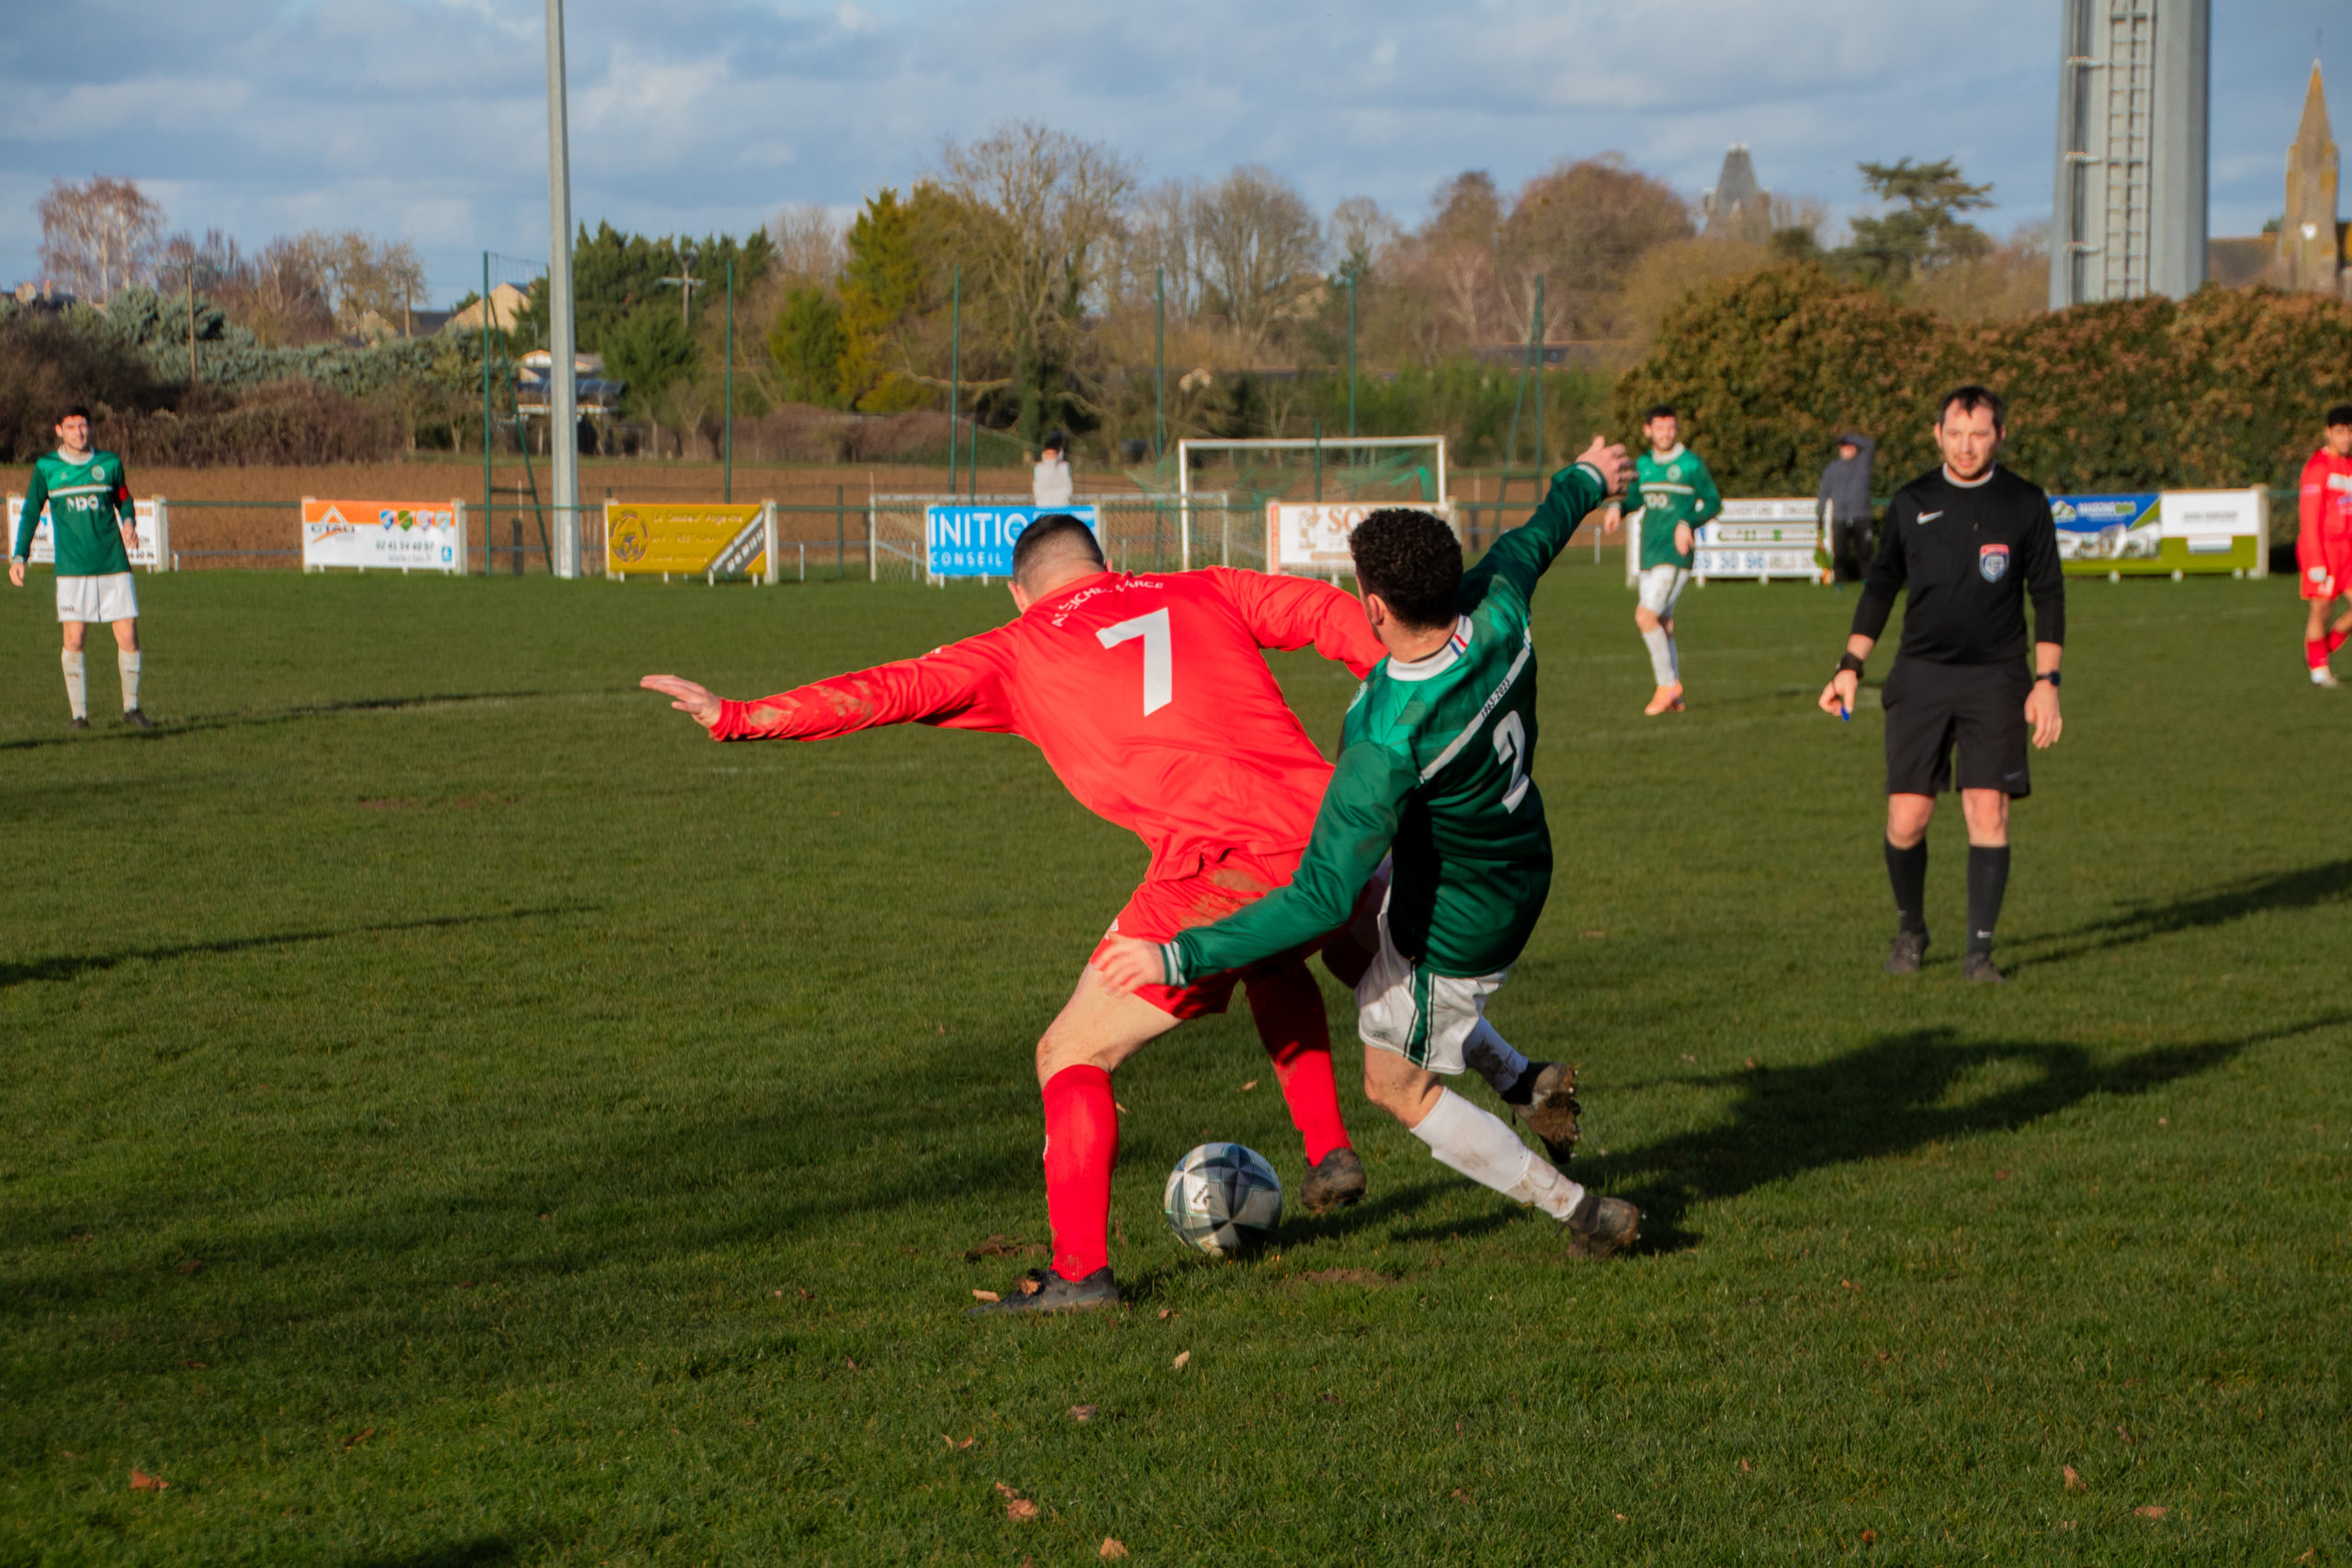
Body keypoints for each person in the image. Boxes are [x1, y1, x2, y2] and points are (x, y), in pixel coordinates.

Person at [641, 515, 1385, 1314]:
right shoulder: (1204, 586)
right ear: (1108, 564)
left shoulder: (1019, 646)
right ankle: (1333, 1150)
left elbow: (890, 688)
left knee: (1070, 1050)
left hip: (1221, 865)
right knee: (1275, 954)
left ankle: (1080, 1274)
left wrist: (742, 715)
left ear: (1017, 592)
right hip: (1340, 830)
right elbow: (1323, 609)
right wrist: (1406, 674)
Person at [1098, 440, 1645, 1261]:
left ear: (1374, 605)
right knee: (1361, 957)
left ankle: (1583, 1212)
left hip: (1454, 921)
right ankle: (1524, 1079)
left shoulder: (1385, 735)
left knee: (1397, 1083)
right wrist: (1590, 475)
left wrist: (1179, 954)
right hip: (1518, 857)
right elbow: (1539, 530)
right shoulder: (1499, 601)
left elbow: (1318, 893)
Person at [1818, 386, 2064, 986]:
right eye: (1955, 434)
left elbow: (2048, 593)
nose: (1966, 446)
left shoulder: (2025, 502)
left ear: (1999, 435)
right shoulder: (1913, 501)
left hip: (1997, 678)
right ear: (1937, 435)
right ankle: (1912, 930)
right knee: (1907, 818)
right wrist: (1850, 665)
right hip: (1921, 676)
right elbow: (1882, 585)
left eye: (1978, 434)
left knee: (1988, 810)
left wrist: (2047, 681)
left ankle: (1979, 954)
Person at [8, 404, 153, 730]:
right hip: (73, 569)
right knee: (74, 640)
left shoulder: (109, 463)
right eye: (71, 426)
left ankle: (131, 709)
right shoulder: (47, 467)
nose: (79, 432)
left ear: (90, 427)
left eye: (83, 425)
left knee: (129, 636)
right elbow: (31, 511)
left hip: (113, 564)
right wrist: (19, 557)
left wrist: (128, 521)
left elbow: (124, 498)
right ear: (58, 429)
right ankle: (79, 716)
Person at [1601, 404, 1721, 716]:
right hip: (1649, 554)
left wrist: (1688, 522)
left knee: (1645, 616)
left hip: (1675, 555)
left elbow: (1713, 502)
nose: (1666, 433)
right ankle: (1675, 696)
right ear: (1648, 430)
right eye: (1660, 427)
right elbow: (1635, 498)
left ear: (1676, 428)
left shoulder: (1691, 464)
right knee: (1662, 623)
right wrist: (1618, 508)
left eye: (1670, 427)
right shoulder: (1643, 464)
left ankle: (1666, 685)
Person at [2295, 404, 2352, 687]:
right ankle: (2319, 671)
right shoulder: (2317, 467)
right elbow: (2309, 516)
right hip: (2323, 550)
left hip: (2348, 550)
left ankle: (2321, 648)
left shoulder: (2350, 465)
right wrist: (2316, 559)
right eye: (2340, 431)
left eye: (2350, 432)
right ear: (2328, 432)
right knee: (2322, 610)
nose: (2346, 438)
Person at [1817, 432, 1877, 587]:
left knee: (1864, 553)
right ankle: (1839, 582)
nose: (1847, 450)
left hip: (1861, 516)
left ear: (1856, 448)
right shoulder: (1831, 468)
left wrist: (1850, 438)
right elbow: (1823, 493)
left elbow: (1870, 444)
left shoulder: (1863, 463)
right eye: (1844, 446)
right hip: (1840, 517)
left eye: (1850, 447)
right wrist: (1820, 515)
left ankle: (1867, 582)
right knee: (1840, 553)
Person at [1032, 434, 1073, 509]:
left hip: (1062, 505)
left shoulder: (1065, 467)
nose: (1051, 456)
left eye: (1053, 453)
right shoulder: (1038, 468)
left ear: (1058, 454)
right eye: (1048, 453)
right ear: (1044, 454)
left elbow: (1068, 486)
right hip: (1042, 504)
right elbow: (1036, 487)